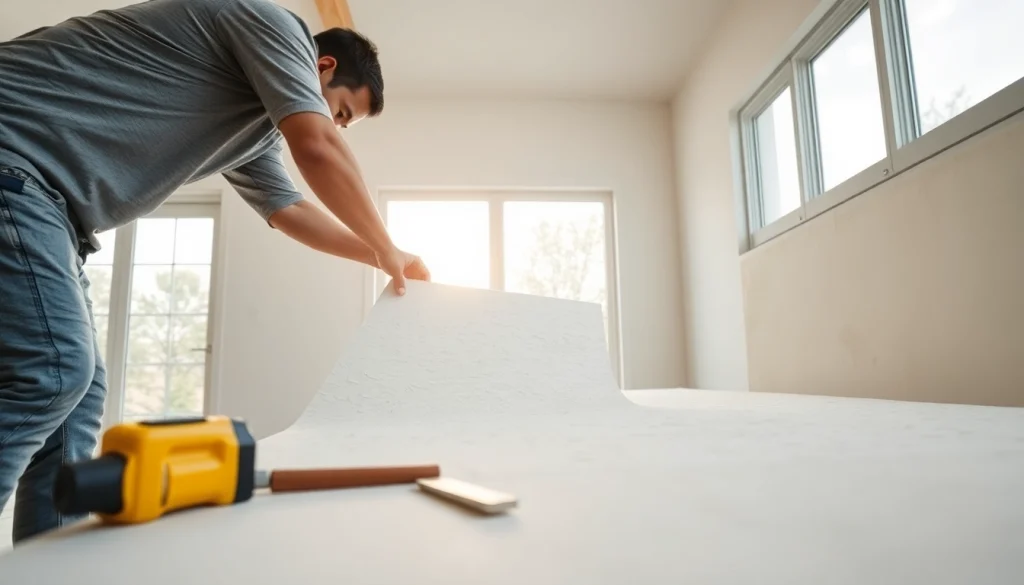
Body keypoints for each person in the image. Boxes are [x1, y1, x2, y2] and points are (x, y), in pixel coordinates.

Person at [0, 0, 429, 544]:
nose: (335, 128)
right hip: (14, 161)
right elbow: (317, 147)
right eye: (341, 112)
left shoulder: (250, 126)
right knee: (56, 369)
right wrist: (384, 242)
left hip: (47, 205)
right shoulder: (273, 25)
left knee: (79, 395)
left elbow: (288, 210)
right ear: (320, 67)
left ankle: (46, 568)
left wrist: (379, 256)